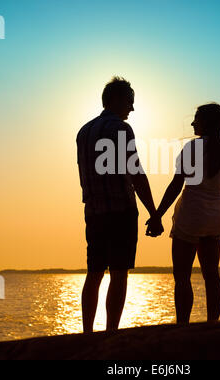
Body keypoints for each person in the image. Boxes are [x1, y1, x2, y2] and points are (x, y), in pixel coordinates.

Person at [77, 76, 163, 333]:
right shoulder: (121, 130)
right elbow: (135, 172)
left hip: (93, 211)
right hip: (120, 212)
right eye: (130, 101)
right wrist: (154, 212)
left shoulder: (84, 131)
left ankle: (87, 333)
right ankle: (111, 333)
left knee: (94, 273)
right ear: (116, 99)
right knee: (119, 272)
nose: (132, 108)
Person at [146, 103, 220, 324]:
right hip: (214, 219)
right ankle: (212, 324)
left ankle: (183, 326)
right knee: (212, 275)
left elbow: (176, 185)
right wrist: (217, 218)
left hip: (190, 216)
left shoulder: (193, 148)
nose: (192, 123)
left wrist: (157, 214)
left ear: (207, 122)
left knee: (182, 277)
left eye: (196, 118)